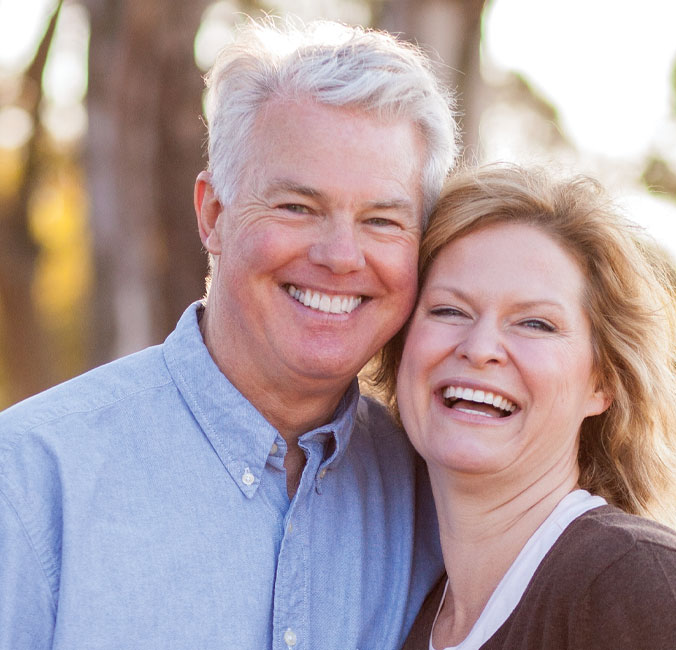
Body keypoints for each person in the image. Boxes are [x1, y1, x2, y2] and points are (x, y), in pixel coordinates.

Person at [0, 18, 458, 649]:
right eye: (298, 207)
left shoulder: (437, 500)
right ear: (213, 214)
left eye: (382, 221)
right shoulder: (27, 481)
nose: (340, 255)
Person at [375, 164, 676, 649]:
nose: (480, 348)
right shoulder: (413, 616)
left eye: (535, 324)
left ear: (601, 382)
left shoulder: (635, 583)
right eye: (449, 311)